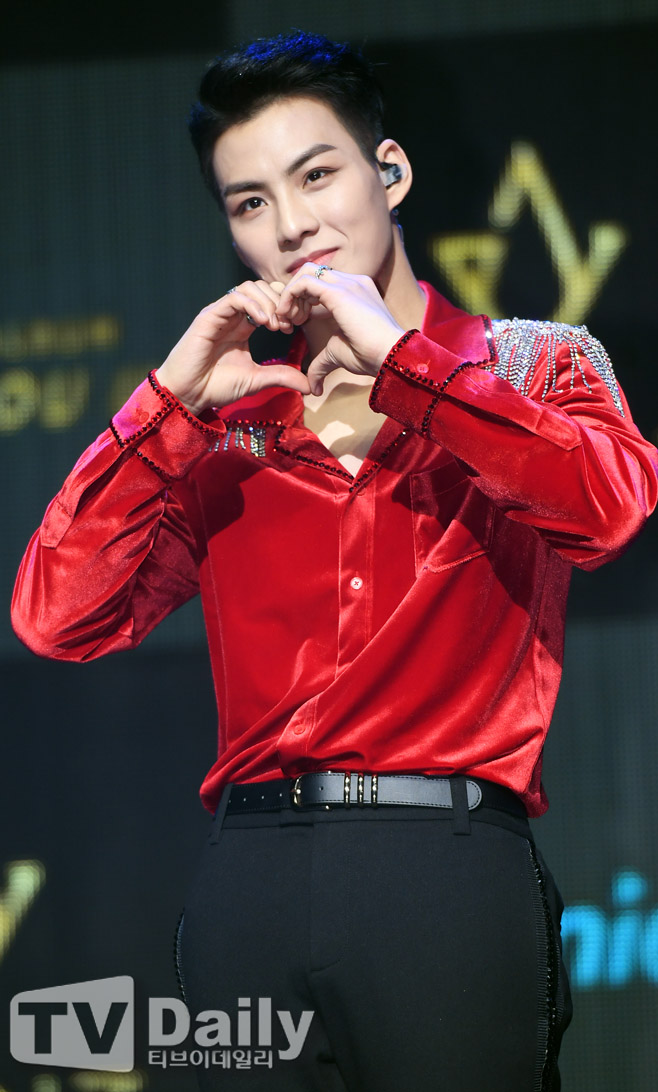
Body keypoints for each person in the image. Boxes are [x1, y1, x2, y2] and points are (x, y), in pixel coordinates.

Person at [12, 30, 658, 1092]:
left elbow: (608, 510)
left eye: (316, 176)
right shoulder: (224, 430)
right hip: (252, 876)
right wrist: (167, 403)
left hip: (446, 873)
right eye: (250, 201)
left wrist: (406, 368)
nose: (291, 225)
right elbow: (57, 616)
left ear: (388, 171)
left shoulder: (534, 365)